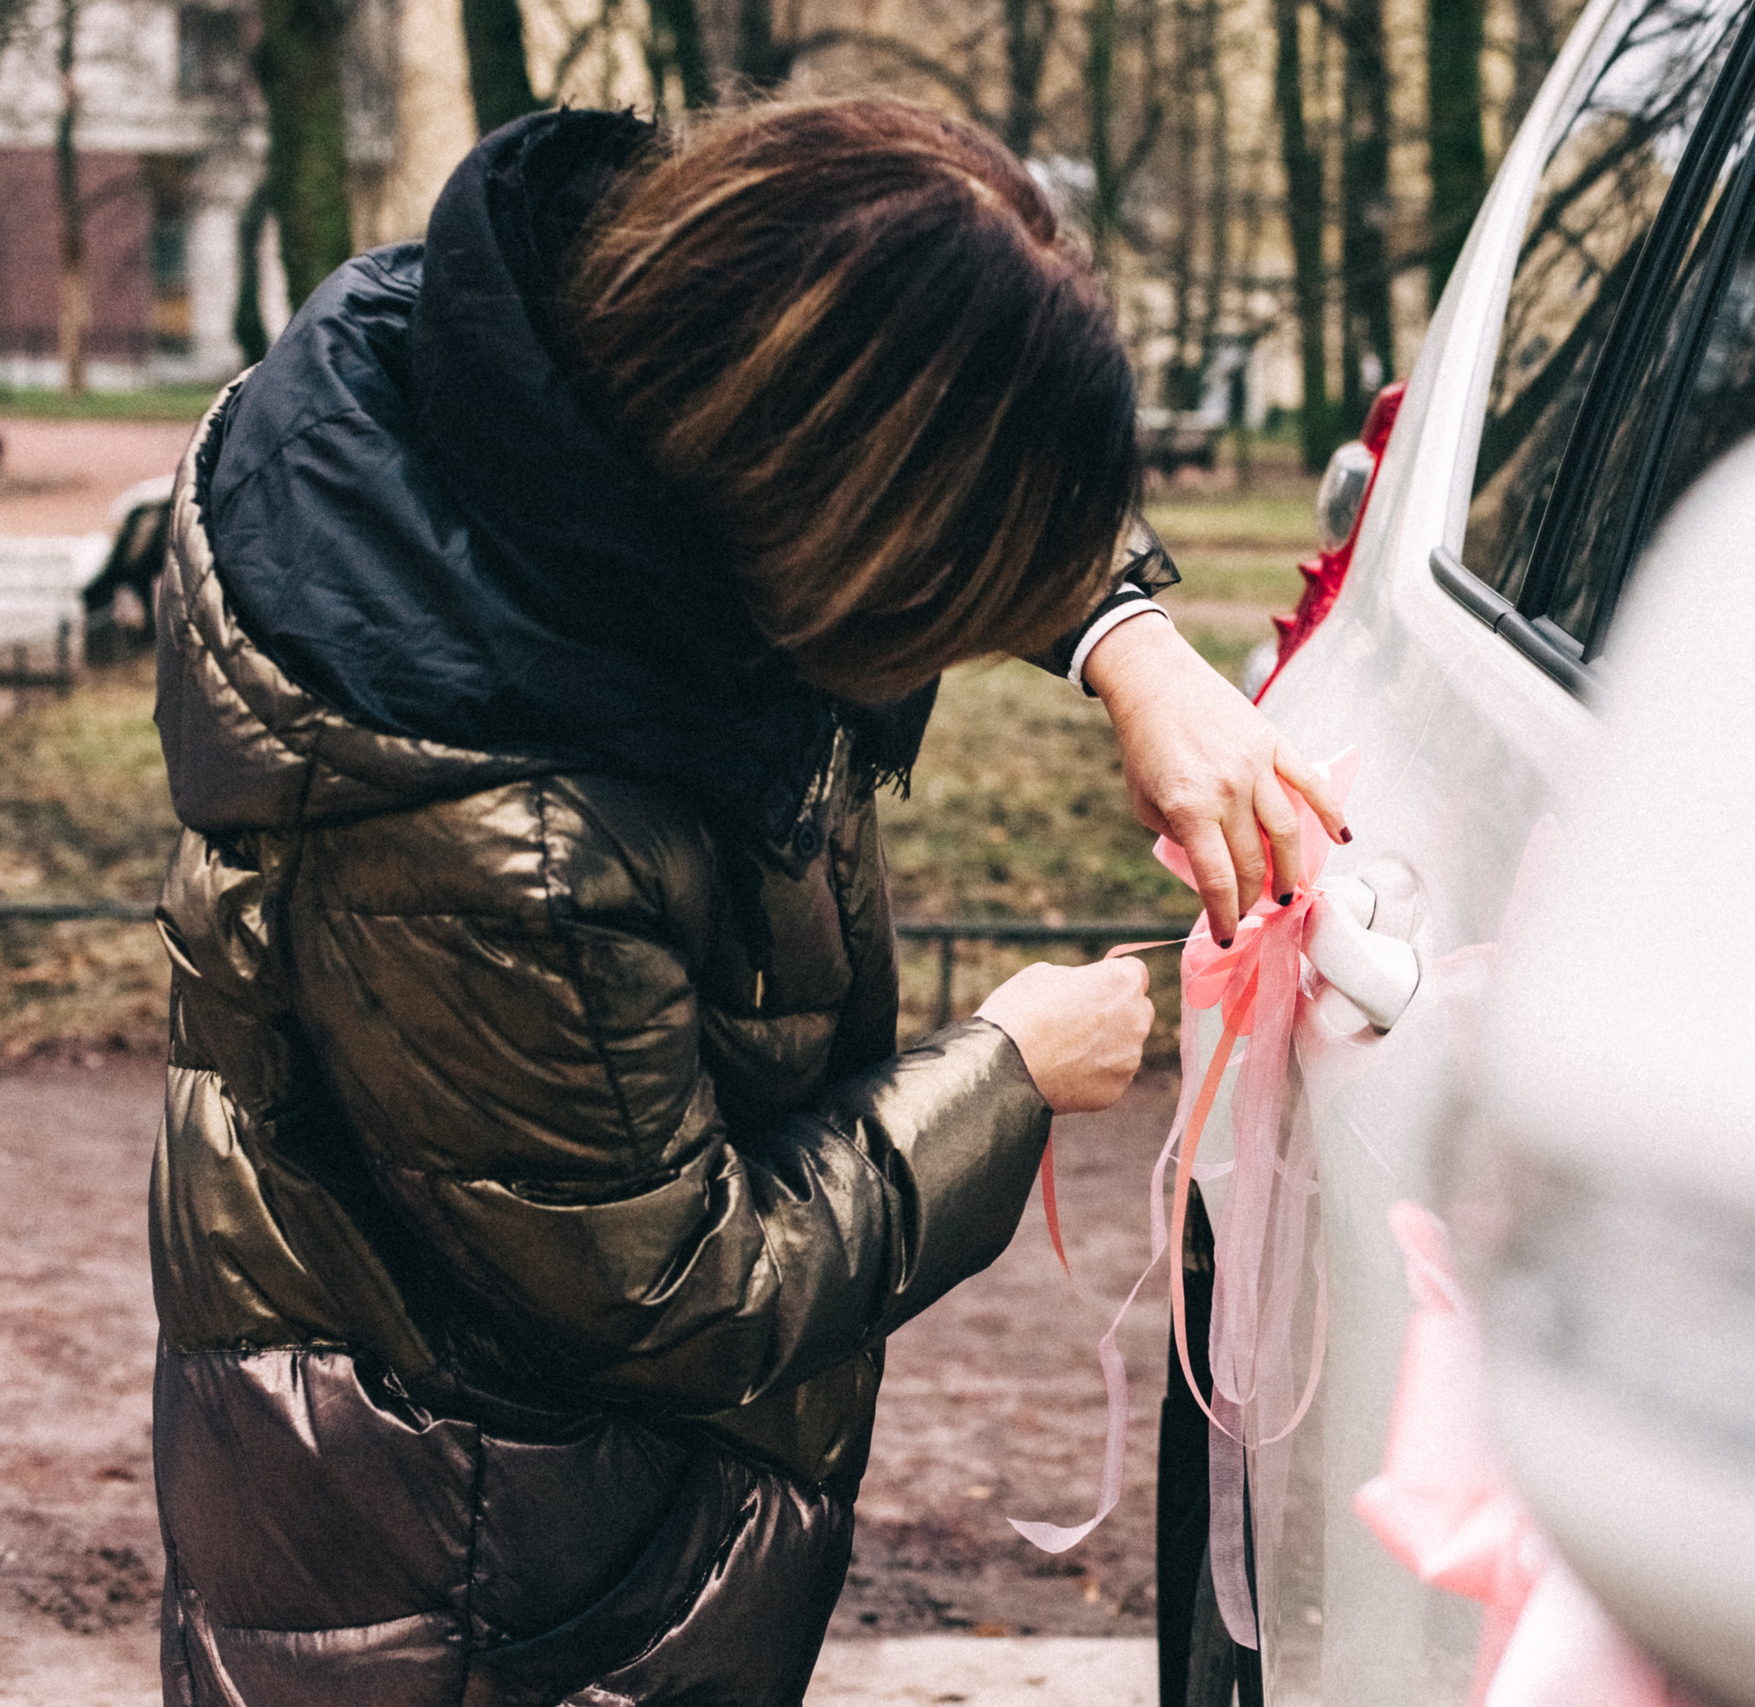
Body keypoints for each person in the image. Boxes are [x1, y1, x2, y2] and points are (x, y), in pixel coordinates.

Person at [148, 98, 1341, 1706]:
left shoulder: (562, 400)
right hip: (476, 1582)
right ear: (828, 515)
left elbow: (924, 423)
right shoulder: (507, 849)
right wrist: (1006, 1071)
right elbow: (678, 1291)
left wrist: (1129, 645)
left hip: (557, 1506)